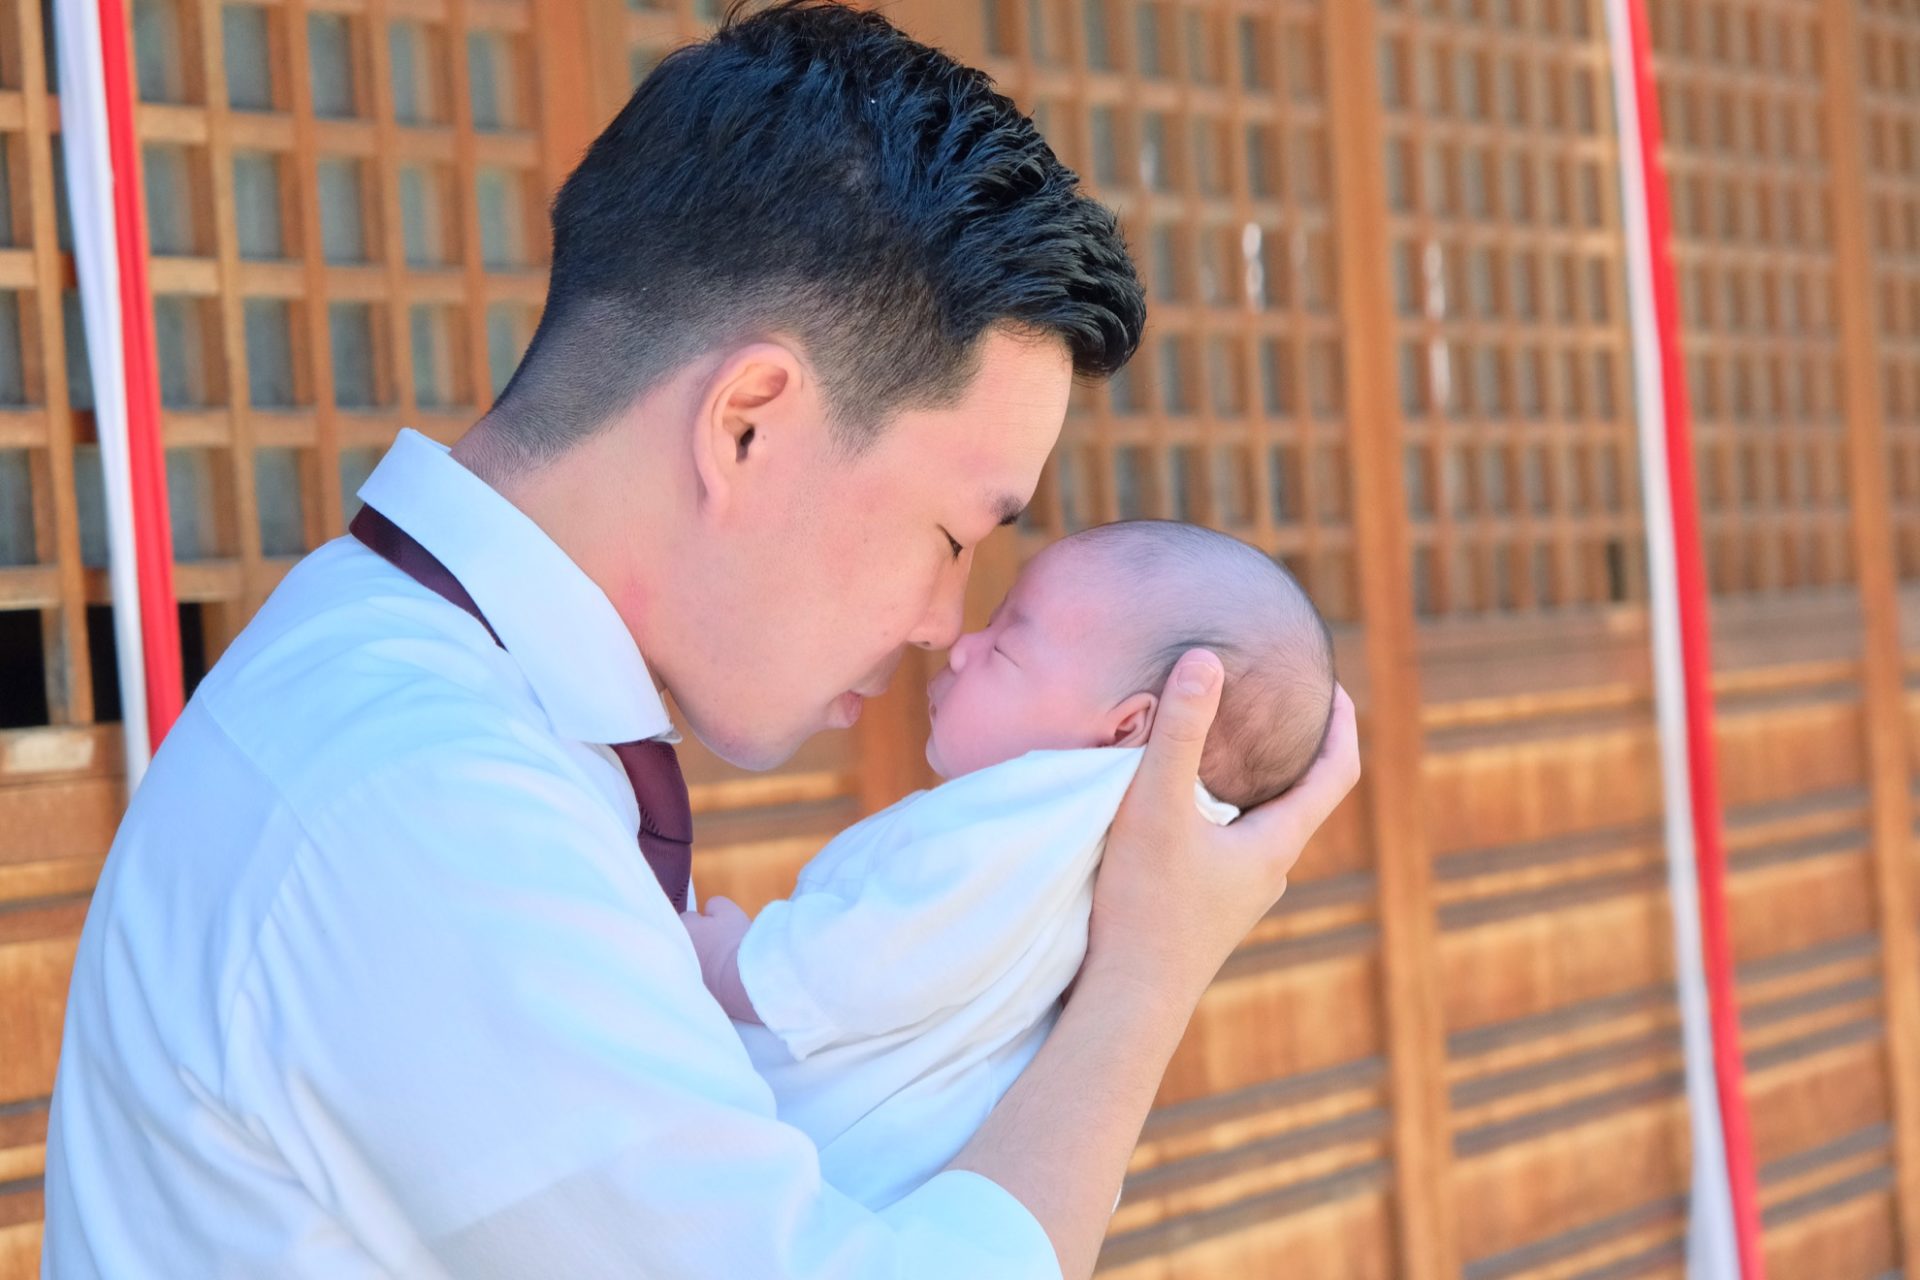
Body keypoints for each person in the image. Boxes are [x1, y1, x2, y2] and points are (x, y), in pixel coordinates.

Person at [41, 4, 1359, 1278]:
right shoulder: (423, 800)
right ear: (747, 423)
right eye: (955, 537)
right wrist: (1142, 979)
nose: (939, 625)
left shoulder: (428, 709)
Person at [683, 521, 1337, 1210]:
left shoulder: (1027, 829)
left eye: (1006, 647)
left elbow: (858, 968)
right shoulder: (1130, 852)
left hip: (820, 1161)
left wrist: (728, 957)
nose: (962, 648)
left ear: (1123, 729)